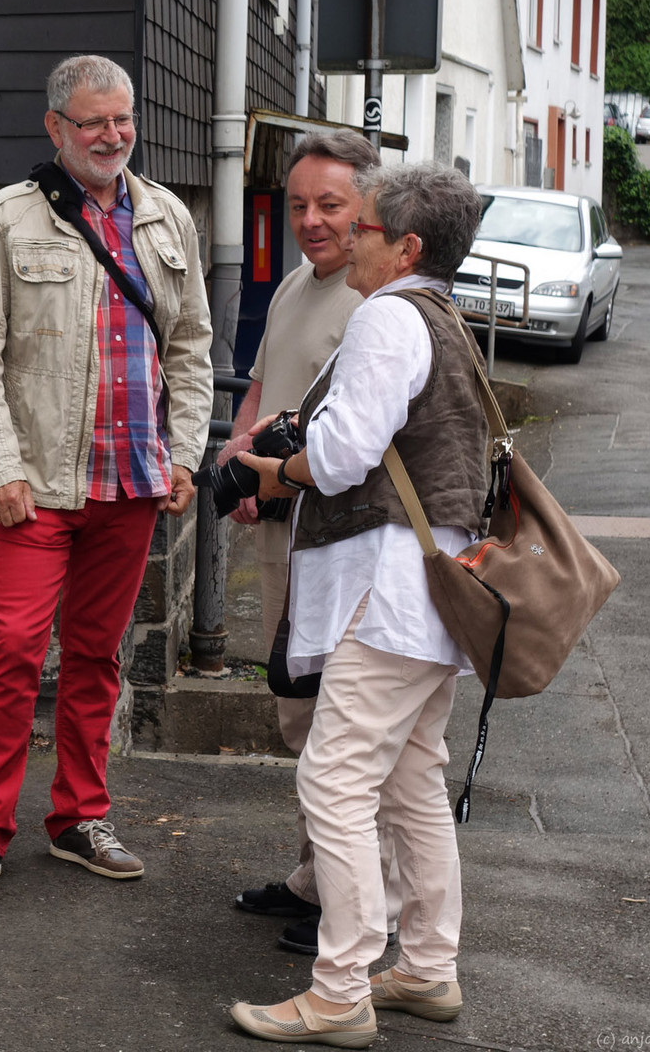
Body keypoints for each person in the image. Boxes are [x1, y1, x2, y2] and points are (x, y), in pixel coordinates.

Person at [0, 54, 213, 896]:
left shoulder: (165, 217)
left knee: (97, 654)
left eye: (122, 119)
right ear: (56, 128)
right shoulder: (9, 220)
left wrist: (184, 453)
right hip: (36, 486)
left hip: (131, 481)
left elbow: (191, 345)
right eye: (93, 122)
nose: (112, 136)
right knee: (13, 649)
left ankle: (81, 817)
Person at [228, 161, 488, 1046]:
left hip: (385, 595)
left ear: (406, 245)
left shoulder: (385, 317)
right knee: (414, 783)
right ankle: (426, 965)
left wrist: (273, 468)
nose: (347, 235)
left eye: (364, 225)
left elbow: (341, 458)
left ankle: (340, 989)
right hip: (437, 593)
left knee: (334, 781)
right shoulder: (446, 318)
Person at [219, 131, 398, 955]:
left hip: (341, 540)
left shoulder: (375, 299)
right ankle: (314, 876)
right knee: (300, 713)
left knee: (346, 727)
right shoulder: (297, 283)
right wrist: (236, 444)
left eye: (330, 204)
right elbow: (265, 383)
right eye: (298, 205)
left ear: (367, 206)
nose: (312, 221)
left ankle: (364, 903)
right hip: (283, 532)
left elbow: (360, 440)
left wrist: (271, 475)